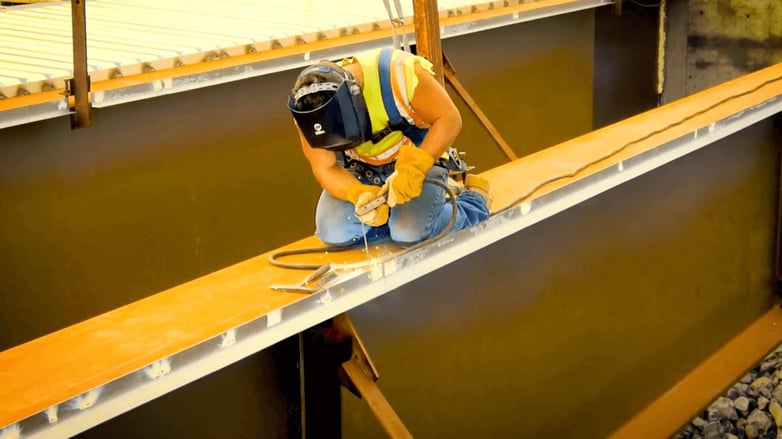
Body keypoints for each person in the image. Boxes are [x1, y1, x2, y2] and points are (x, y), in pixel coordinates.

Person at [287, 47, 491, 246]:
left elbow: (450, 119)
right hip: (363, 169)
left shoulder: (397, 73)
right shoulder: (308, 113)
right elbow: (325, 168)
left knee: (410, 232)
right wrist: (357, 193)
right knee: (332, 231)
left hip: (418, 160)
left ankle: (473, 200)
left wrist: (413, 169)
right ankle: (395, 217)